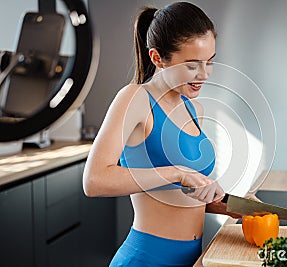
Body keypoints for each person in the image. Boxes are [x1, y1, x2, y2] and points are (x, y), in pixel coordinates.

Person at [83, 2, 240, 266]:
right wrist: (176, 172)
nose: (204, 74)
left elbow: (180, 198)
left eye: (209, 62)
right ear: (157, 58)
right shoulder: (135, 98)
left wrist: (231, 204)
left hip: (191, 257)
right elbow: (94, 180)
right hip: (145, 258)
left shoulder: (194, 109)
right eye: (192, 65)